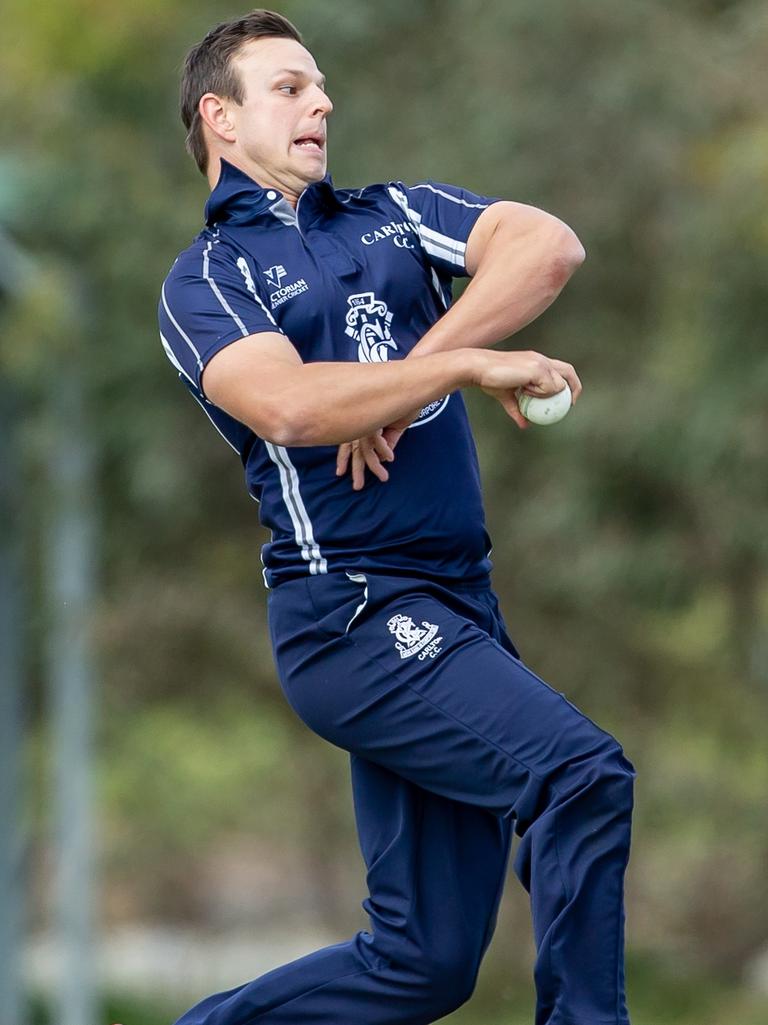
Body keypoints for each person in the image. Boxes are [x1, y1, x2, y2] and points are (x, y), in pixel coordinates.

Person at [157, 9, 636, 1025]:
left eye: (322, 85)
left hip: (455, 606)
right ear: (221, 118)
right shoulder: (209, 277)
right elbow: (286, 406)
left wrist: (407, 380)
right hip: (353, 615)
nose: (322, 101)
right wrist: (454, 366)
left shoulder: (388, 215)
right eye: (289, 86)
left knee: (425, 960)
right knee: (580, 771)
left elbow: (547, 244)